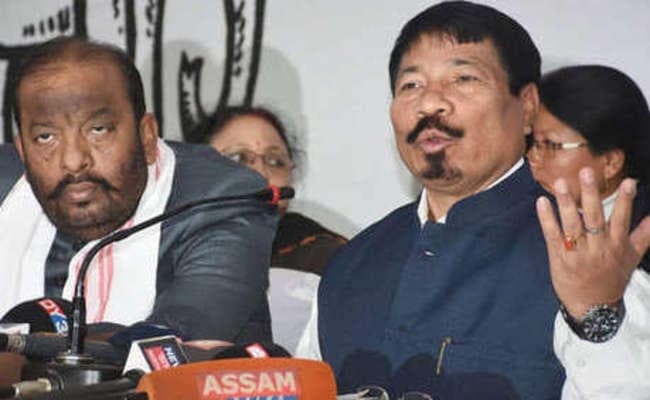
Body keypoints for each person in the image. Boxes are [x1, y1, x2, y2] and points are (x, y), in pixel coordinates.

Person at [297, 2, 650, 399]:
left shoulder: (591, 257)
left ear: (528, 107)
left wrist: (596, 318)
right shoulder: (351, 264)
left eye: (463, 79)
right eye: (411, 85)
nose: (430, 103)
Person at [0, 36, 278, 343]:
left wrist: (19, 347)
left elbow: (172, 342)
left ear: (146, 136)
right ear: (22, 151)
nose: (74, 161)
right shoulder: (6, 190)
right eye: (45, 137)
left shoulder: (221, 200)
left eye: (98, 130)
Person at [205, 106, 347, 353]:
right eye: (238, 158)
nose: (261, 173)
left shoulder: (328, 258)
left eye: (275, 161)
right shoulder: (162, 249)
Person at [528, 65, 649, 272]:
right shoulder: (525, 211)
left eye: (550, 145)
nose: (533, 157)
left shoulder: (642, 243)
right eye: (533, 143)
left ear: (610, 162)